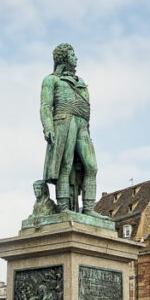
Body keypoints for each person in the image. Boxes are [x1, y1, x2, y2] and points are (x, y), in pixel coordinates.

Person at [39, 43, 102, 217]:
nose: (76, 58)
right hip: (63, 121)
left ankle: (88, 209)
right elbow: (45, 107)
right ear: (64, 58)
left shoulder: (81, 82)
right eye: (73, 55)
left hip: (82, 124)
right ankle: (63, 208)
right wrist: (48, 127)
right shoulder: (51, 80)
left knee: (91, 166)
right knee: (64, 166)